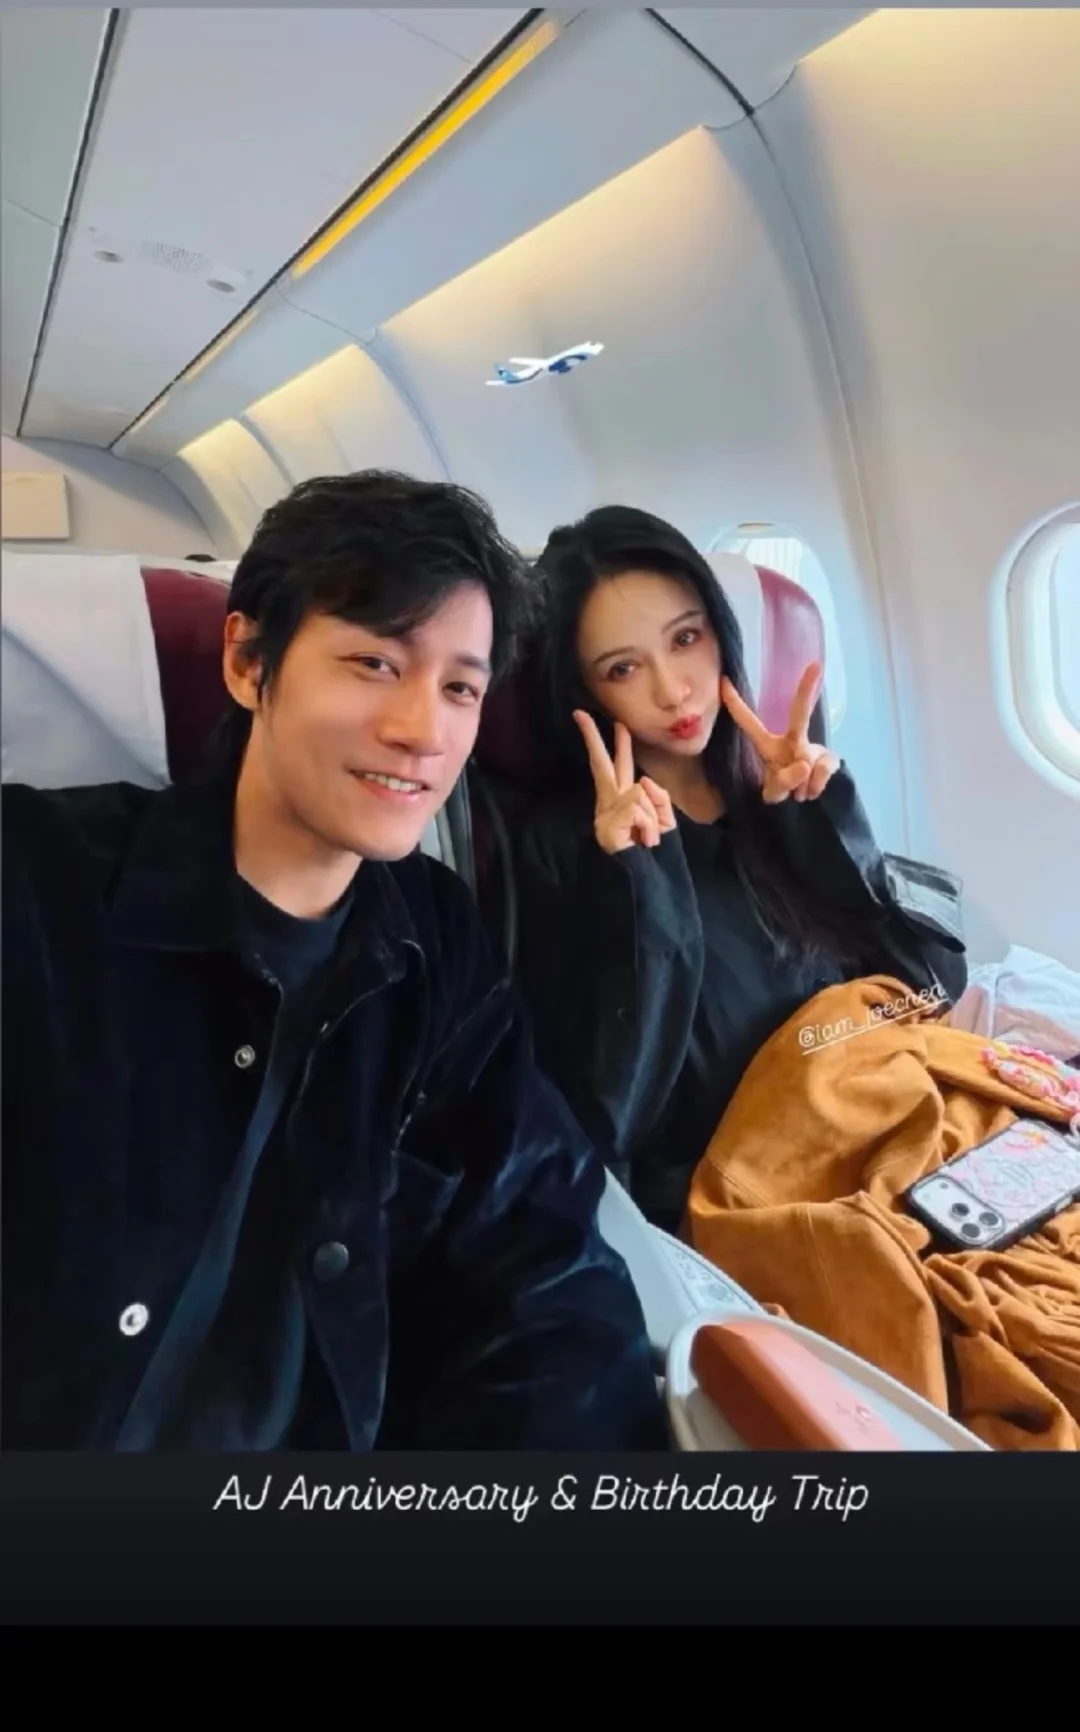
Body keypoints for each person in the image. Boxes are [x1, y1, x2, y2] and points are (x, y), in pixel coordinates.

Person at [1, 471, 667, 1451]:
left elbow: (544, 1257)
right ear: (246, 661)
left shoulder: (440, 948)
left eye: (460, 687)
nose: (422, 731)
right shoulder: (35, 883)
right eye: (373, 662)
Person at [513, 506, 967, 1233]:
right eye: (623, 668)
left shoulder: (780, 793)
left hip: (890, 1135)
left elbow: (928, 988)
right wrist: (637, 884)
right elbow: (611, 1113)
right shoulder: (567, 845)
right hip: (759, 1200)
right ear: (583, 691)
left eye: (685, 638)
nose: (673, 690)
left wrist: (823, 824)